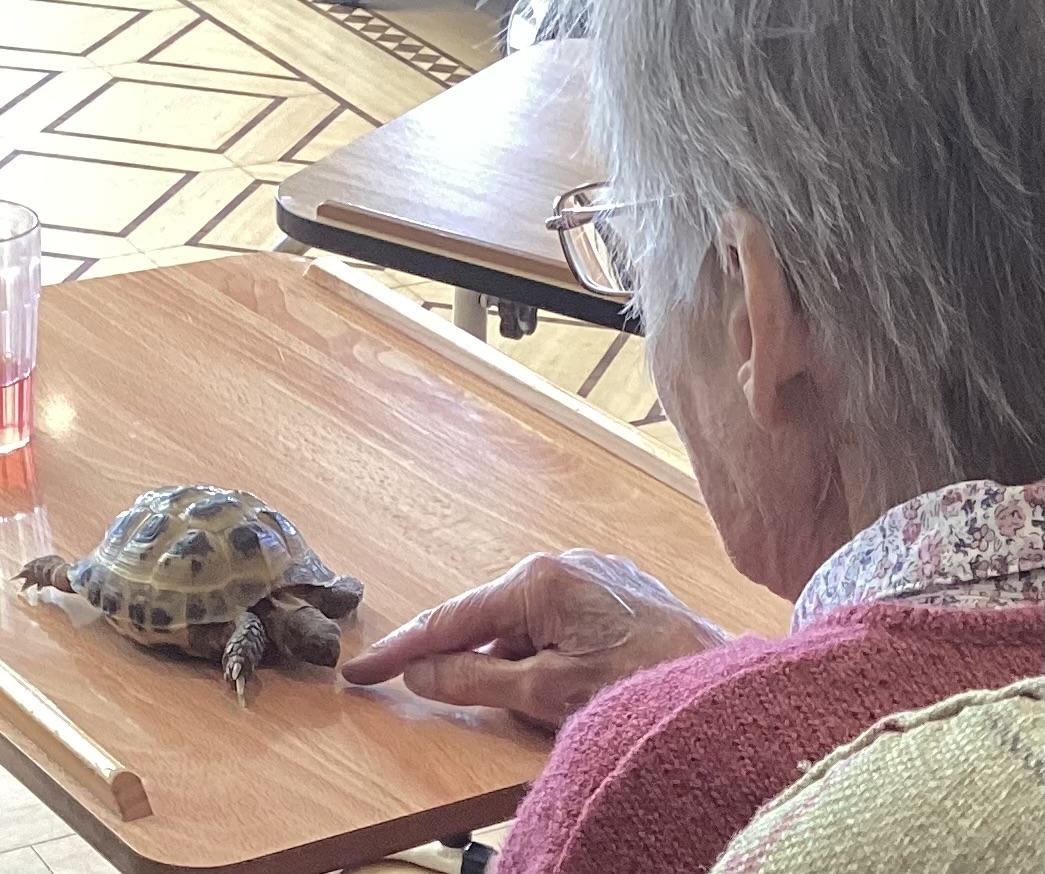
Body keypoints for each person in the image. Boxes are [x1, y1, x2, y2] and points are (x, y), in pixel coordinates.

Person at [343, 0, 1045, 871]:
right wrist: (737, 674)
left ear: (758, 317)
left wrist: (688, 726)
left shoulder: (645, 793)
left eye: (630, 247)